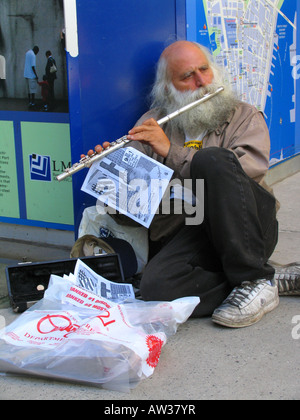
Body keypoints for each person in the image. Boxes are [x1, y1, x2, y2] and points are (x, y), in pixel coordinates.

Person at [88, 40, 300, 328]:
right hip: (190, 231)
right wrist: (109, 175)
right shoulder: (152, 124)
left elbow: (237, 182)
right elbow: (132, 215)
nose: (202, 81)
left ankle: (253, 278)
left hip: (249, 227)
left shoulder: (243, 116)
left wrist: (170, 153)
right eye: (187, 76)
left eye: (204, 70)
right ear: (167, 88)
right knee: (156, 290)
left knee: (212, 160)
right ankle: (265, 280)